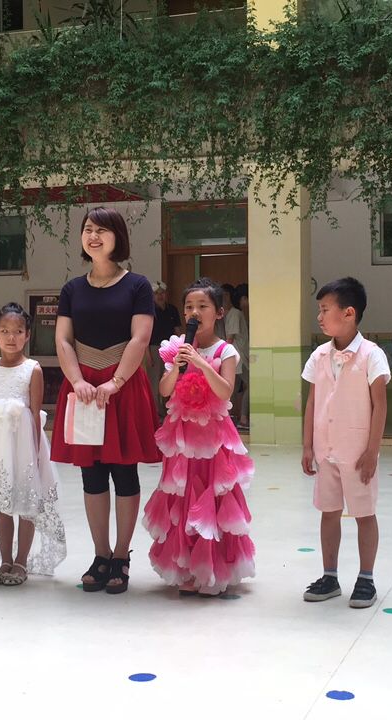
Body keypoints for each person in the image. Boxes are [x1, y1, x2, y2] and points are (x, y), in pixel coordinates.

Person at [51, 207, 163, 595]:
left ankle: (121, 556)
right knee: (92, 474)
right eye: (87, 229)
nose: (93, 236)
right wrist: (77, 380)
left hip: (123, 387)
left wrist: (116, 381)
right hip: (83, 388)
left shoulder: (137, 286)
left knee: (124, 471)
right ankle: (100, 555)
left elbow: (140, 338)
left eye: (102, 230)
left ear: (118, 237)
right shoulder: (71, 289)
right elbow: (63, 339)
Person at [142, 279, 255, 597]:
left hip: (214, 441)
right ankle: (187, 567)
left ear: (219, 312)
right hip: (182, 440)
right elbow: (165, 391)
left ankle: (213, 568)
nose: (194, 312)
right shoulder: (178, 347)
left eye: (202, 306)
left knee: (211, 498)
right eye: (189, 306)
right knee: (184, 499)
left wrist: (202, 363)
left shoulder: (225, 350)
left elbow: (225, 391)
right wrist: (176, 367)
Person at [0, 303, 67, 586]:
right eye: (5, 331)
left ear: (27, 335)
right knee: (2, 502)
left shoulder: (32, 369)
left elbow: (34, 414)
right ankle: (5, 560)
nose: (11, 337)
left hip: (24, 448)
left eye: (18, 331)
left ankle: (21, 562)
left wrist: (37, 453)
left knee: (27, 503)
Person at [300, 277, 390, 609]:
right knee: (329, 512)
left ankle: (366, 578)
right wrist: (307, 445)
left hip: (357, 453)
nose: (320, 317)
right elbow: (312, 401)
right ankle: (330, 576)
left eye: (325, 310)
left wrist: (372, 451)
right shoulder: (319, 355)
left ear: (348, 313)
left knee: (364, 513)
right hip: (326, 451)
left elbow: (380, 405)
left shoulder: (371, 355)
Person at [147, 281, 182, 421]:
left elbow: (177, 330)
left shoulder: (172, 309)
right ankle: (156, 413)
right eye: (156, 293)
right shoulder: (149, 310)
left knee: (171, 380)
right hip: (154, 348)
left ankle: (170, 411)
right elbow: (145, 334)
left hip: (171, 349)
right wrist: (147, 355)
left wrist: (181, 348)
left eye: (162, 293)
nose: (160, 296)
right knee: (155, 382)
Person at [222, 283, 249, 430]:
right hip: (237, 358)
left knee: (231, 389)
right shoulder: (234, 314)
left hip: (237, 357)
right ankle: (242, 418)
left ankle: (230, 417)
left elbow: (230, 338)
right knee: (248, 386)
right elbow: (230, 339)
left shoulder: (233, 313)